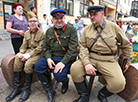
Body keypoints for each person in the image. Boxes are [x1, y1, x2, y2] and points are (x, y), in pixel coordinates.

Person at [70, 5, 133, 102]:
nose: (91, 17)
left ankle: (102, 94)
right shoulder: (87, 29)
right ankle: (84, 95)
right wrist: (86, 63)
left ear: (102, 14)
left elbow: (126, 45)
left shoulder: (113, 27)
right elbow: (82, 46)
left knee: (119, 84)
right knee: (75, 69)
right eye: (90, 14)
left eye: (94, 14)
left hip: (108, 60)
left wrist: (128, 61)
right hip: (90, 57)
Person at [34, 9, 79, 102]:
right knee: (37, 67)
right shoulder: (49, 31)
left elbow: (73, 49)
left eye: (61, 18)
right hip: (52, 57)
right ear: (52, 20)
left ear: (64, 18)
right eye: (56, 18)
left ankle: (65, 82)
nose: (59, 20)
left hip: (66, 57)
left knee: (58, 76)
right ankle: (49, 90)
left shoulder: (71, 30)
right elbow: (45, 47)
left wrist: (63, 62)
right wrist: (48, 58)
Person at [5, 16, 45, 102]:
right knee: (17, 61)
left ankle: (27, 90)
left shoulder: (42, 33)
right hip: (27, 52)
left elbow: (40, 48)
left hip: (37, 53)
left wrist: (27, 56)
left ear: (38, 22)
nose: (32, 23)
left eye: (34, 21)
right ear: (28, 23)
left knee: (28, 64)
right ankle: (17, 88)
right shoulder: (27, 33)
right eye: (30, 21)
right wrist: (21, 53)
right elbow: (24, 46)